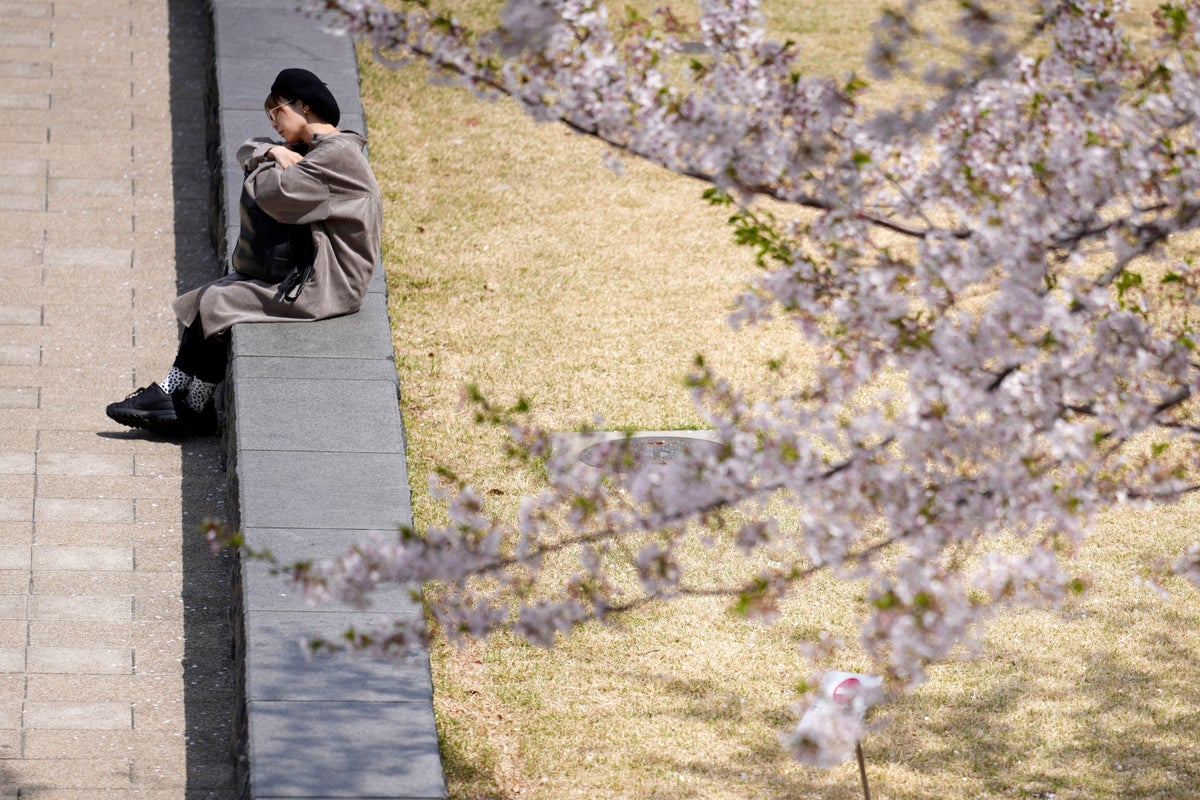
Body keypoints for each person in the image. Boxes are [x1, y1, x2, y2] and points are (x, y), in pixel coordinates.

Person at [106, 68, 383, 435]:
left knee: (222, 300)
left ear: (304, 106)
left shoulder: (336, 157)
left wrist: (265, 158)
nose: (273, 122)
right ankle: (181, 397)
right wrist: (271, 149)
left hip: (330, 284)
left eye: (277, 112)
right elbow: (249, 148)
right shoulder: (321, 150)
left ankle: (188, 403)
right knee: (213, 295)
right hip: (312, 272)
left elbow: (271, 194)